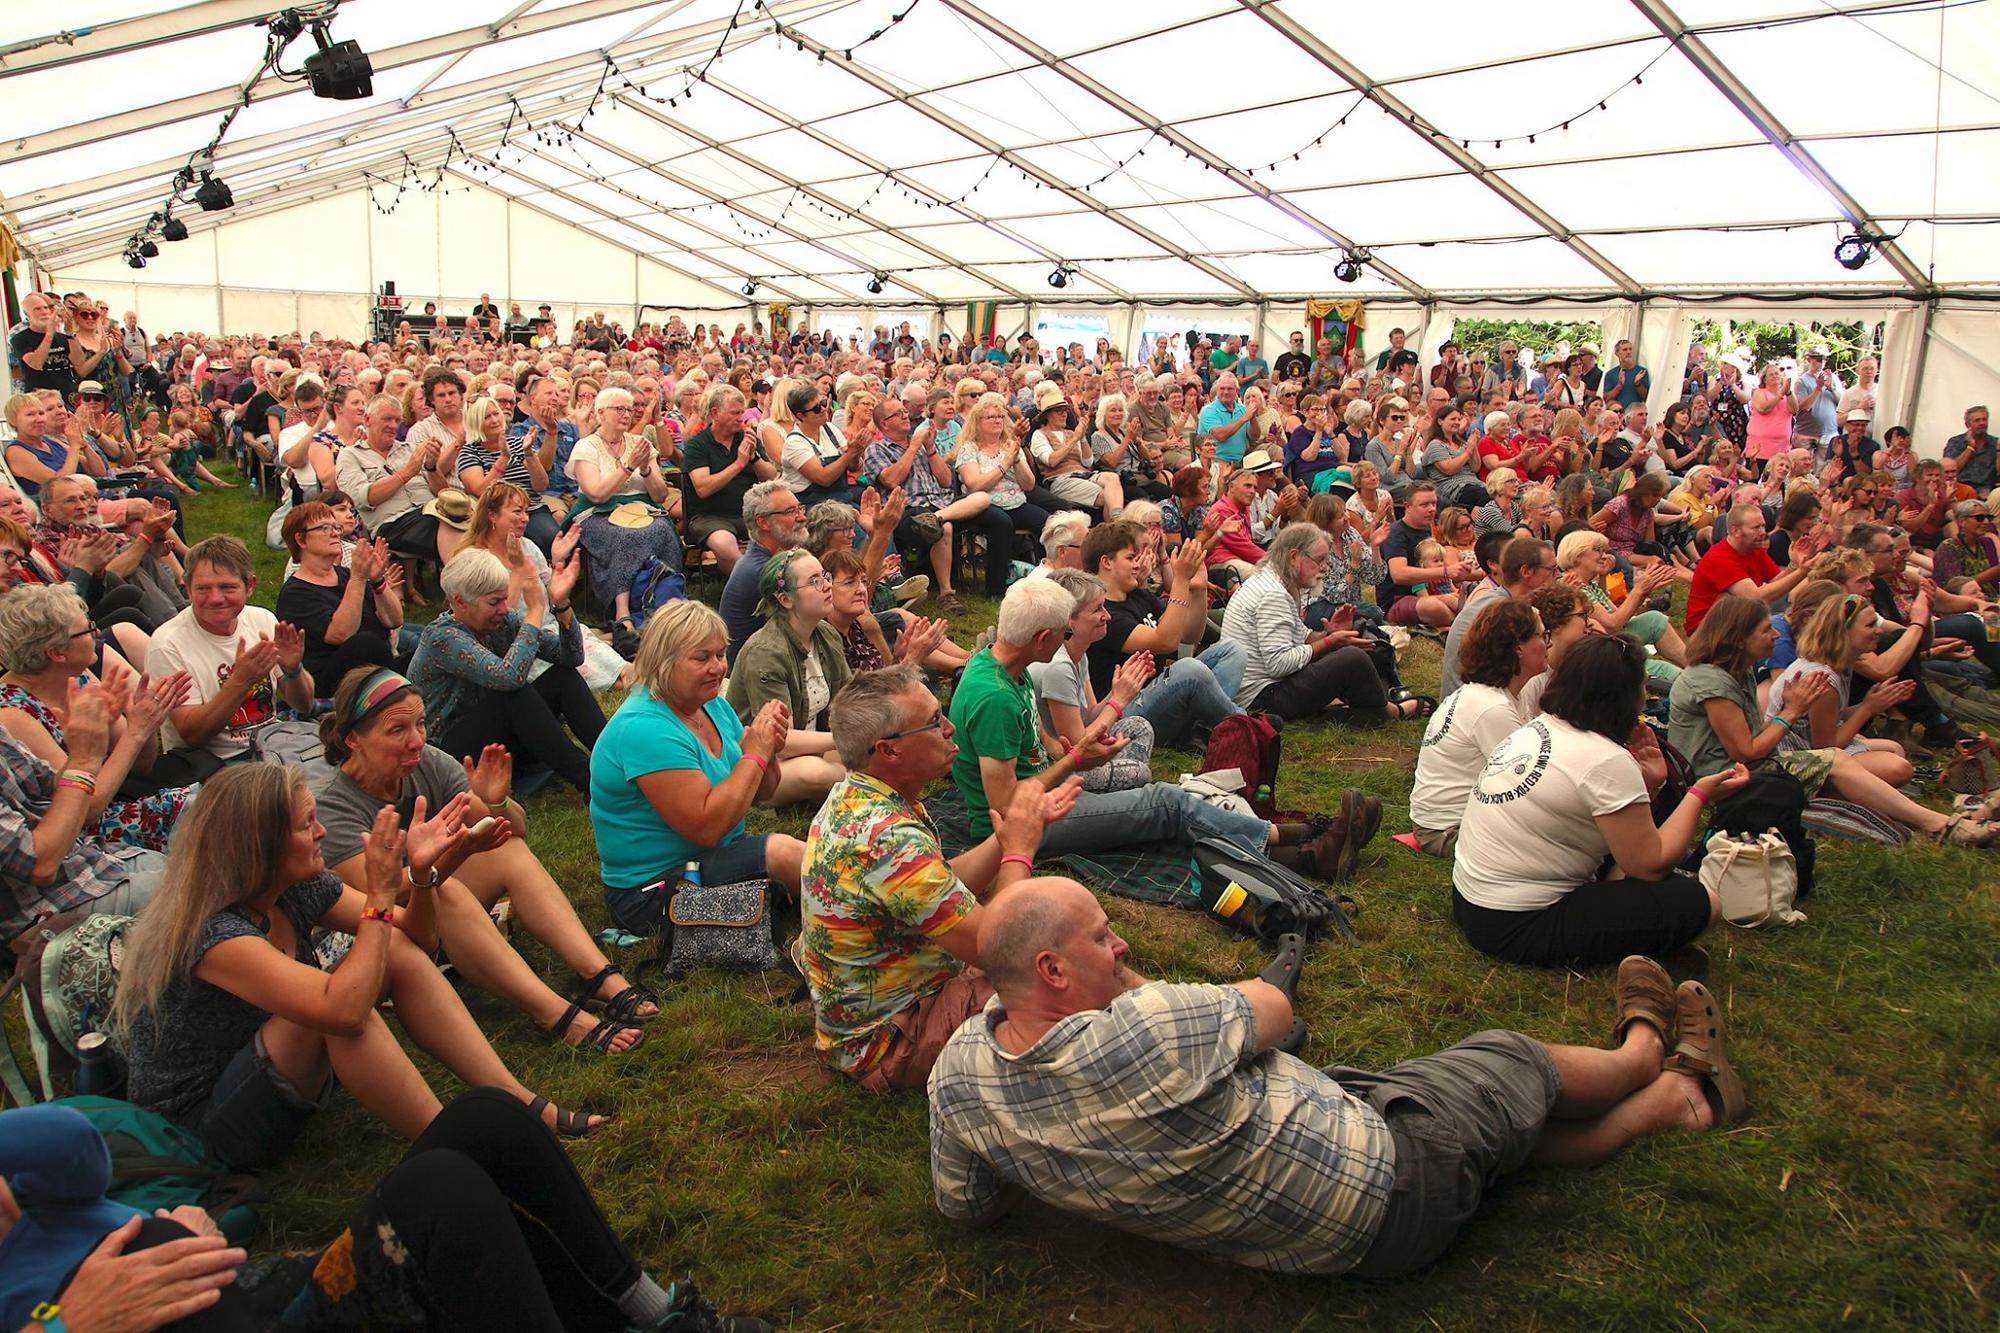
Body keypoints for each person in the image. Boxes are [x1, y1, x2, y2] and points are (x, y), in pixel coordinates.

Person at [928, 877, 1740, 1277]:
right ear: (1052, 969)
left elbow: (966, 1207)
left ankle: (1667, 1105)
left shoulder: (959, 1075)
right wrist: (1138, 993)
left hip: (1308, 1211)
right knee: (1505, 1058)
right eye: (1104, 940)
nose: (1123, 950)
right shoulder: (1150, 1029)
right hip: (1393, 1181)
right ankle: (1645, 1057)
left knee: (1474, 1118)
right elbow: (1275, 1010)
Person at [117, 768, 605, 1171]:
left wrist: (422, 874)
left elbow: (414, 942)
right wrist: (378, 894)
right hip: (200, 1134)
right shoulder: (213, 936)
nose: (322, 834)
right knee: (339, 1010)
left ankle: (513, 1099)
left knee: (382, 953)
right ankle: (463, 1150)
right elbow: (345, 1009)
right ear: (259, 845)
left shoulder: (292, 887)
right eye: (307, 825)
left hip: (273, 1075)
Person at [0, 1093, 768, 1333]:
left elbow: (74, 1141)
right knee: (438, 1193)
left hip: (262, 1294)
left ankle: (655, 1315)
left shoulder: (32, 1195)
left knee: (486, 1122)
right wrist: (66, 1325)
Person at [314, 665, 658, 1054]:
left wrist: (494, 803)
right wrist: (454, 854)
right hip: (371, 934)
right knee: (448, 894)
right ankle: (554, 1013)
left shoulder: (425, 760)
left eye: (421, 725)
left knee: (505, 851)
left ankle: (598, 976)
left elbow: (515, 830)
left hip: (427, 904)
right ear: (353, 739)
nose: (416, 741)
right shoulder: (334, 808)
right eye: (397, 731)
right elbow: (388, 895)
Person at [951, 578, 1366, 877]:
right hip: (1021, 826)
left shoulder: (1009, 668)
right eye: (1062, 632)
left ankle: (1304, 848)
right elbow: (1007, 808)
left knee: (1162, 807)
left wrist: (1077, 755)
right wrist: (1078, 758)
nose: (1065, 640)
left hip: (1051, 795)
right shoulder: (995, 697)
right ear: (1041, 636)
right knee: (1167, 802)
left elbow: (1042, 746)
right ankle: (1304, 840)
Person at [801, 665, 1079, 1090]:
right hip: (892, 1042)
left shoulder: (861, 793)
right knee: (1052, 973)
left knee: (1067, 945)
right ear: (889, 751)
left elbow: (941, 884)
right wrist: (1022, 850)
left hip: (878, 1021)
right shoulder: (887, 840)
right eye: (933, 723)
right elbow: (1001, 949)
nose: (950, 728)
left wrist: (1006, 839)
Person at [1451, 636, 1748, 968]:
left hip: (1472, 902)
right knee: (1703, 901)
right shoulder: (1605, 759)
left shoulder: (1539, 727)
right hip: (1519, 923)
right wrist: (1699, 794)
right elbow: (1650, 864)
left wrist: (1650, 786)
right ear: (1625, 696)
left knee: (1656, 886)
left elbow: (1619, 838)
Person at [1668, 594, 1991, 845]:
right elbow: (1748, 753)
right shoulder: (1713, 682)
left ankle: (1923, 817)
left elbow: (1755, 742)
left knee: (1874, 758)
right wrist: (1792, 712)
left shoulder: (1737, 671)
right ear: (1739, 639)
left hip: (1745, 768)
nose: (1777, 637)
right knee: (1856, 762)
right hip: (1719, 781)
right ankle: (1936, 824)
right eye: (1766, 630)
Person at [592, 602, 809, 938]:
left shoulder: (712, 705)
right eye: (701, 658)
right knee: (783, 853)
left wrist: (769, 752)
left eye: (721, 655)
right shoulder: (644, 728)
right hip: (649, 892)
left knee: (800, 855)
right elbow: (706, 828)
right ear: (663, 662)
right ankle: (866, 914)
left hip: (713, 856)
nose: (718, 668)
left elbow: (764, 793)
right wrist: (754, 754)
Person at [408, 547, 603, 796]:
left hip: (497, 735)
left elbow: (571, 657)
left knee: (561, 678)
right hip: (448, 752)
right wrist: (534, 613)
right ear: (460, 602)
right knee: (516, 693)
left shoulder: (502, 620)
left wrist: (562, 605)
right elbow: (508, 678)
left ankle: (617, 760)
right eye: (493, 602)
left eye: (503, 598)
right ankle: (591, 781)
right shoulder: (442, 636)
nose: (503, 608)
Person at [1221, 525, 1428, 724]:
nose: (1324, 568)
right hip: (1262, 698)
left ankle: (1359, 705)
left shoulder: (1276, 582)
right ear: (1294, 557)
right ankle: (1389, 711)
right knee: (1352, 658)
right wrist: (1329, 642)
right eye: (1319, 560)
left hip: (1264, 687)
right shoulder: (1273, 594)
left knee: (1354, 640)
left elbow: (1300, 637)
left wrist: (1331, 633)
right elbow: (1278, 664)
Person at [147, 536, 316, 771]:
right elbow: (191, 735)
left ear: (250, 586)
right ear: (186, 587)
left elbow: (303, 704)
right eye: (203, 588)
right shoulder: (168, 644)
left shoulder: (262, 619)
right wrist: (240, 681)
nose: (216, 598)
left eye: (227, 587)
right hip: (211, 766)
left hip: (273, 747)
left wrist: (294, 670)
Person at [1080, 519, 1246, 749]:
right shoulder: (1104, 612)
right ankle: (1243, 723)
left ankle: (1201, 730)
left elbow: (1190, 636)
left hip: (1161, 694)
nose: (1138, 565)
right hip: (1125, 713)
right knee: (1189, 669)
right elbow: (1166, 641)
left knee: (1232, 650)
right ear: (1106, 562)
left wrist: (1196, 589)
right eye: (1130, 558)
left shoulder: (1138, 596)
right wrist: (1179, 581)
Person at [1411, 599, 1548, 855]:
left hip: (1449, 822)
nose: (1547, 643)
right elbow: (1529, 787)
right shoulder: (1492, 708)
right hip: (1448, 831)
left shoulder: (1494, 694)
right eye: (1542, 635)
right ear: (1519, 647)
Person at [565, 385, 684, 657]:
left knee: (663, 530)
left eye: (630, 409)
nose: (627, 414)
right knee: (625, 535)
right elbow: (596, 494)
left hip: (641, 509)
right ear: (600, 413)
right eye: (619, 409)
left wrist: (645, 468)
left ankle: (664, 603)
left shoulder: (639, 443)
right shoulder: (587, 447)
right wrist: (628, 467)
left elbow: (660, 494)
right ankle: (623, 614)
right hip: (599, 514)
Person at [723, 549, 849, 805]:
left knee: (875, 754)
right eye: (815, 581)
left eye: (825, 577)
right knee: (821, 773)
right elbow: (782, 742)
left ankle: (858, 780)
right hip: (764, 765)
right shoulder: (766, 652)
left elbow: (849, 701)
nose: (827, 586)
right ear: (785, 599)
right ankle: (858, 786)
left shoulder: (826, 634)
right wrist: (846, 739)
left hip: (812, 747)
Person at [276, 503, 405, 684]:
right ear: (301, 540)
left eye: (336, 527)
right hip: (335, 681)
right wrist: (359, 578)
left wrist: (378, 581)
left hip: (377, 670)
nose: (336, 533)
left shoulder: (345, 575)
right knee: (365, 644)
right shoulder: (295, 593)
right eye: (325, 528)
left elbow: (394, 620)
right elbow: (341, 634)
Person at [1440, 535, 1553, 698]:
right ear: (1526, 571)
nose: (1557, 576)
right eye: (1551, 569)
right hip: (1473, 707)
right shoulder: (1501, 611)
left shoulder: (1505, 602)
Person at [681, 383, 776, 574]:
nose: (741, 418)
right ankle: (751, 585)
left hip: (748, 512)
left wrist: (754, 458)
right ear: (715, 414)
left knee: (785, 533)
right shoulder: (697, 445)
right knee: (725, 544)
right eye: (734, 413)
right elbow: (703, 488)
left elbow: (772, 477)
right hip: (709, 516)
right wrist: (738, 465)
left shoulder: (746, 438)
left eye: (742, 412)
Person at [1684, 503, 1819, 633]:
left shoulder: (1753, 548)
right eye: (1756, 528)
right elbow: (1756, 597)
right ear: (1735, 531)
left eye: (1763, 526)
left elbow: (1774, 581)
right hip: (1706, 630)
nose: (1762, 532)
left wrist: (1794, 566)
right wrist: (1802, 572)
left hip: (1734, 622)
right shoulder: (1720, 558)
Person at [1378, 484, 1479, 629]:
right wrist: (1446, 572)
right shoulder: (1396, 534)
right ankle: (1468, 628)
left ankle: (1464, 625)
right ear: (1408, 506)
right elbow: (1398, 574)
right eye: (1424, 505)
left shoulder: (1425, 527)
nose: (1432, 509)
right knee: (1434, 606)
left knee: (1465, 596)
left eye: (1434, 503)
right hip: (1397, 600)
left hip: (1429, 592)